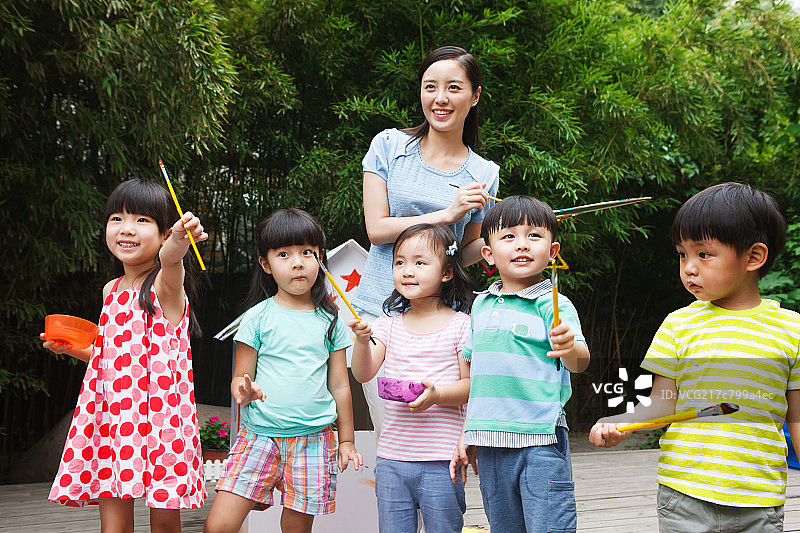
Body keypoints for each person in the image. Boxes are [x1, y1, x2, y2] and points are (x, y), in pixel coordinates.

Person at [589, 182, 800, 533]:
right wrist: (624, 423)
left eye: (703, 254)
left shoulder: (791, 330)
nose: (688, 267)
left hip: (759, 499)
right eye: (682, 254)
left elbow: (796, 419)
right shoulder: (679, 324)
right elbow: (662, 403)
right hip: (685, 495)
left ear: (753, 257)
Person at [44, 179, 208, 532]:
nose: (126, 229)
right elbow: (114, 360)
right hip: (114, 414)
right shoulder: (111, 290)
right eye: (117, 218)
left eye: (142, 220)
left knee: (164, 523)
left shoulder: (166, 285)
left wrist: (179, 244)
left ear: (165, 234)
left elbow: (171, 263)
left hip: (162, 420)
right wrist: (74, 349)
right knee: (113, 525)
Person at [354, 45, 500, 438]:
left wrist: (495, 247)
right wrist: (446, 215)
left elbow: (463, 253)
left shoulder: (485, 173)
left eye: (454, 87)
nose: (439, 98)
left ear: (475, 96)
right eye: (429, 86)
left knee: (440, 436)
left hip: (441, 321)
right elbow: (376, 228)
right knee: (394, 431)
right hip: (381, 312)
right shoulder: (388, 146)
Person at [204, 208, 363, 533]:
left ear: (320, 258)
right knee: (219, 525)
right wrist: (244, 391)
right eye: (284, 254)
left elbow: (341, 386)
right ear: (265, 264)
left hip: (313, 440)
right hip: (260, 436)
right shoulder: (257, 318)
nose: (297, 262)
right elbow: (239, 379)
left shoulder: (330, 320)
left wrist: (346, 440)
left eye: (308, 252)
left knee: (295, 529)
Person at [449, 195, 590, 533]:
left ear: (552, 251)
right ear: (488, 253)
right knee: (504, 526)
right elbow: (472, 374)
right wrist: (467, 431)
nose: (522, 245)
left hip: (540, 437)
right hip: (490, 443)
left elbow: (580, 362)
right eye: (509, 236)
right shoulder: (480, 306)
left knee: (549, 525)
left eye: (534, 236)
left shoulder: (553, 303)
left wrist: (568, 346)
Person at [349, 223, 474, 533]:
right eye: (400, 262)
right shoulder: (386, 325)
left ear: (446, 272)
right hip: (391, 459)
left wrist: (436, 396)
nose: (407, 270)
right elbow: (362, 373)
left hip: (443, 460)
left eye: (420, 262)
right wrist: (363, 342)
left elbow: (471, 387)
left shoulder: (462, 326)